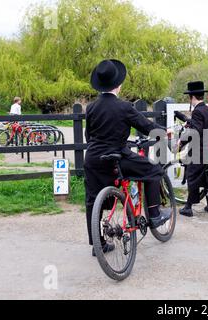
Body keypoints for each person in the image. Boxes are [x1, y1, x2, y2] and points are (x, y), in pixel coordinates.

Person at [85, 59, 171, 256]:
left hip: (93, 159)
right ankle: (155, 215)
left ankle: (97, 245)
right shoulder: (124, 107)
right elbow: (146, 126)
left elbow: (88, 136)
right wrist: (163, 132)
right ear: (119, 84)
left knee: (92, 200)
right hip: (117, 157)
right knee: (154, 171)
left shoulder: (90, 108)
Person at [179, 81, 208, 218]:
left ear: (192, 97)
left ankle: (188, 207)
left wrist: (182, 140)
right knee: (207, 176)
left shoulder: (197, 111)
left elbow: (195, 132)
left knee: (192, 176)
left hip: (198, 149)